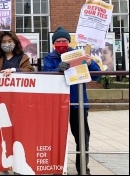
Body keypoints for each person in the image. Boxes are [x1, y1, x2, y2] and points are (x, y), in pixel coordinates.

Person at [43, 26, 101, 175]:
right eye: (58, 41)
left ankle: (83, 169)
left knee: (82, 138)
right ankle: (56, 167)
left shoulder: (78, 55)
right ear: (53, 43)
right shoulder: (49, 57)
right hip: (57, 104)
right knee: (56, 138)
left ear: (69, 42)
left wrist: (90, 63)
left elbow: (96, 76)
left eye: (64, 40)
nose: (61, 43)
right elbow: (45, 74)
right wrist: (58, 69)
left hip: (78, 103)